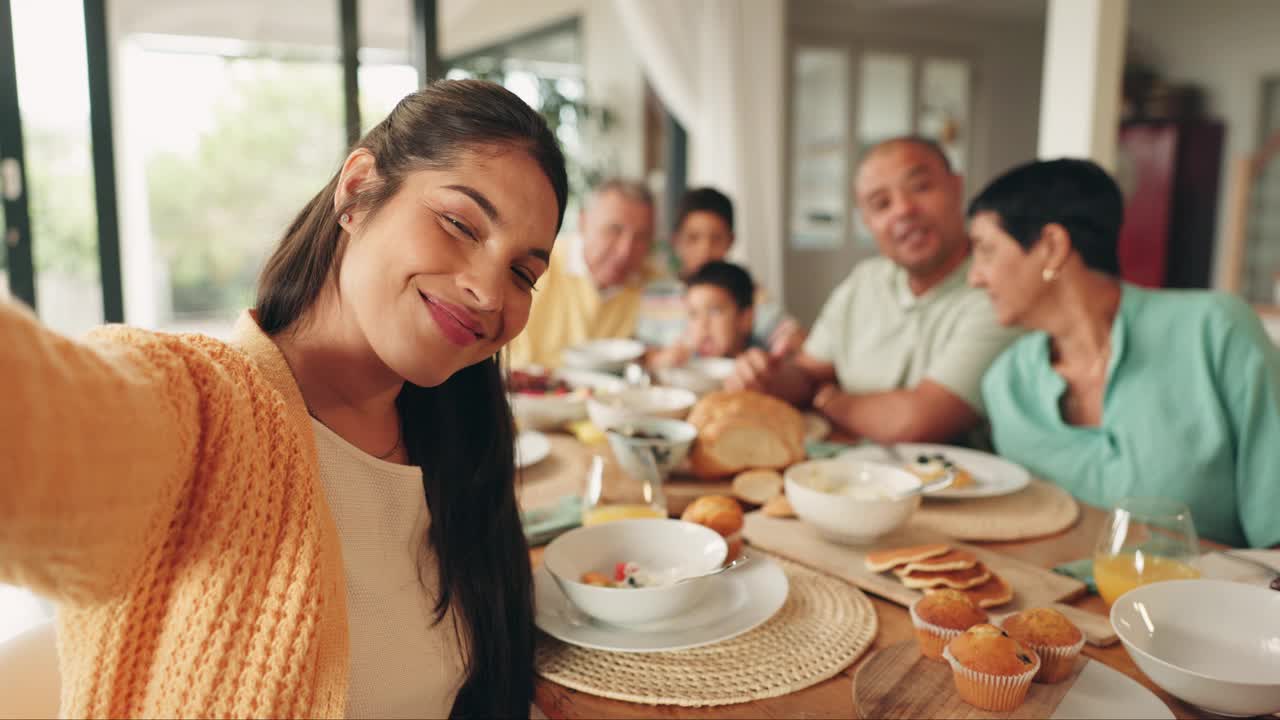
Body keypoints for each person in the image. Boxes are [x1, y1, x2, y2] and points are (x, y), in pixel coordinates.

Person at [0, 80, 568, 718]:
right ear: (356, 191)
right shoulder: (206, 417)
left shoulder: (460, 442)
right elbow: (38, 431)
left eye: (523, 273)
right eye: (460, 224)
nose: (490, 293)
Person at [969, 158, 1280, 548]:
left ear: (1051, 247)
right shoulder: (1006, 384)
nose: (974, 277)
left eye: (985, 250)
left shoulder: (1216, 331)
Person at [728, 137, 1021, 444]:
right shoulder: (864, 281)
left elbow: (916, 421)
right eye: (881, 204)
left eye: (921, 187)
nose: (904, 210)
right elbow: (809, 374)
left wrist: (832, 401)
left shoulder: (998, 290)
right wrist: (767, 376)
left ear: (957, 187)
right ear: (867, 222)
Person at [503, 178, 657, 368]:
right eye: (614, 230)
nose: (625, 251)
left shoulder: (654, 285)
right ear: (583, 222)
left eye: (642, 237)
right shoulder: (535, 268)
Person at [634, 187, 805, 357]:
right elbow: (642, 355)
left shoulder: (747, 291)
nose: (705, 250)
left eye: (716, 239)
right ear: (676, 241)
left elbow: (792, 338)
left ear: (731, 241)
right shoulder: (655, 295)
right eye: (693, 238)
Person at [649, 260, 759, 368]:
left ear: (746, 319)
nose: (702, 325)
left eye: (714, 311)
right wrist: (661, 365)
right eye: (694, 314)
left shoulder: (761, 362)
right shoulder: (688, 360)